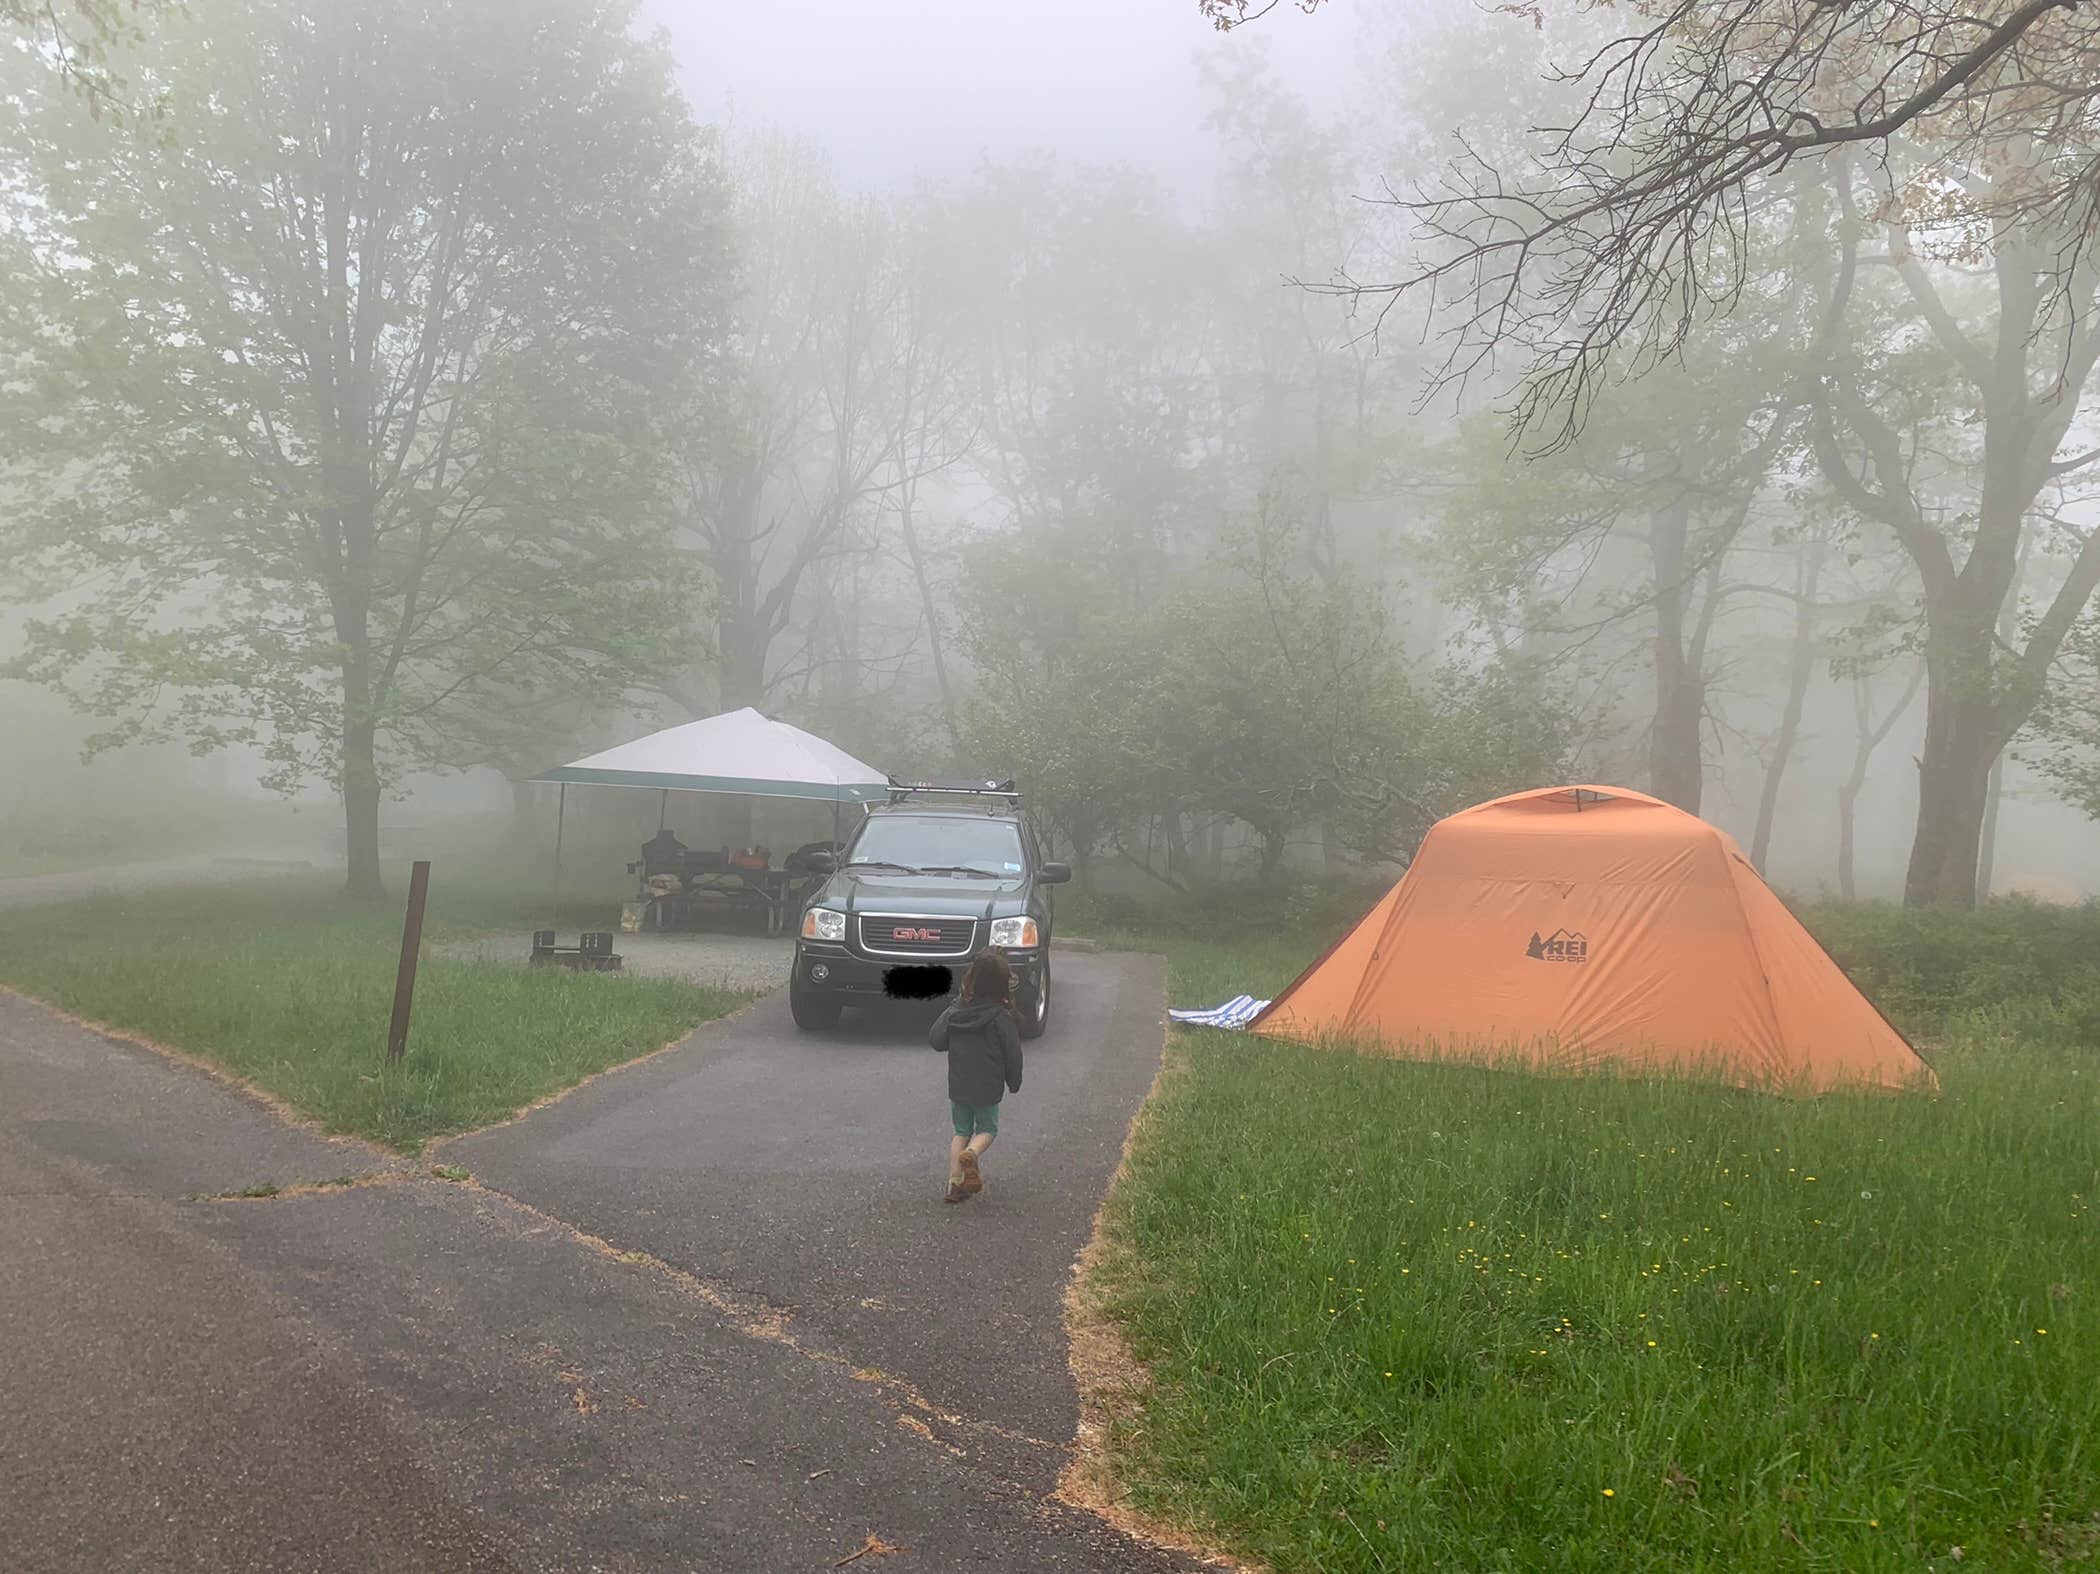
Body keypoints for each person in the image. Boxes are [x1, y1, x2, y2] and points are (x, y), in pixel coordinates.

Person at [929, 948, 1024, 1204]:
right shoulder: (1001, 1017)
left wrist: (954, 1007)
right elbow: (1013, 1053)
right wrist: (1014, 1081)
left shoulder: (956, 1010)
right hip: (988, 1087)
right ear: (1002, 985)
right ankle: (972, 1153)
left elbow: (936, 1039)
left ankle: (955, 1186)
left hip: (959, 1085)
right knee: (987, 1129)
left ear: (971, 978)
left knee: (960, 1130)